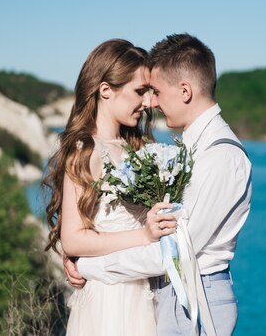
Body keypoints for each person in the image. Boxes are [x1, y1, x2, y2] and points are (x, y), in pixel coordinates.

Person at [66, 33, 253, 335]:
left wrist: (88, 266)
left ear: (185, 91)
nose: (151, 102)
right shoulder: (190, 149)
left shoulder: (221, 157)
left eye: (154, 91)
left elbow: (177, 249)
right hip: (164, 292)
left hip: (196, 295)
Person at [44, 39, 177, 336]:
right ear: (106, 90)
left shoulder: (138, 148)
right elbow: (74, 240)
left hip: (145, 290)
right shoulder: (85, 150)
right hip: (110, 300)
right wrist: (144, 235)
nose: (147, 104)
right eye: (140, 92)